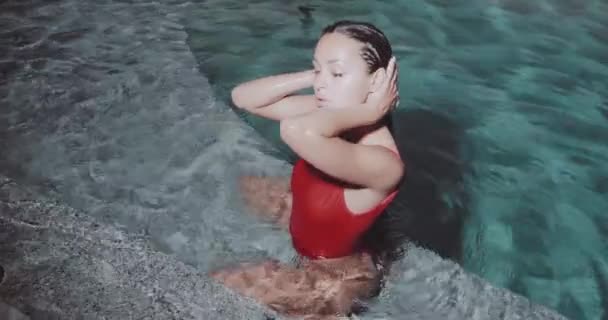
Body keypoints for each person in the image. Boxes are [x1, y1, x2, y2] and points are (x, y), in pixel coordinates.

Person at [210, 20, 405, 319]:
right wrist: (319, 76)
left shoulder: (385, 163)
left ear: (377, 82)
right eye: (317, 70)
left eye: (337, 73)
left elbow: (294, 131)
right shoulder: (327, 112)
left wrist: (370, 111)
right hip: (311, 229)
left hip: (334, 275)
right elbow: (242, 98)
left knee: (215, 285)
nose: (320, 84)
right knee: (245, 184)